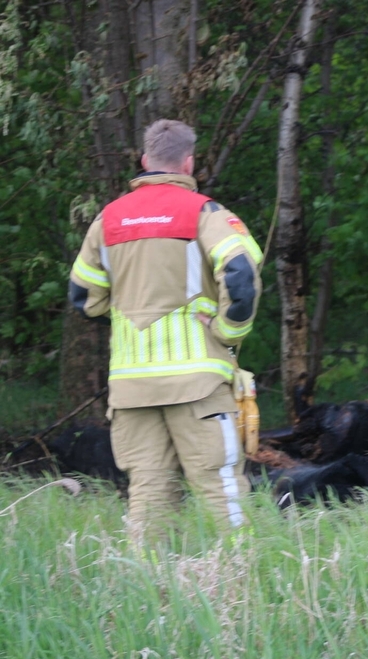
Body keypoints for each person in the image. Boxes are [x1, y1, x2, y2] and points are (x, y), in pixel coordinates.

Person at [69, 119, 263, 536]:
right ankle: (241, 573)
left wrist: (126, 313)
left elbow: (83, 296)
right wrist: (227, 332)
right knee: (221, 489)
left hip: (131, 387)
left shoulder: (107, 220)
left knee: (149, 493)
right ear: (188, 163)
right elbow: (242, 276)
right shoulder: (205, 213)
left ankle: (147, 577)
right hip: (197, 384)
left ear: (145, 161)